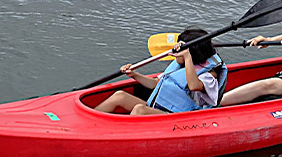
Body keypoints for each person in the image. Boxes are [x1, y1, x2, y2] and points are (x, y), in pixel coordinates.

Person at [94, 28, 227, 115]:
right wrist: (134, 74)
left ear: (192, 54)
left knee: (139, 110)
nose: (174, 51)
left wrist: (186, 57)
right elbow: (155, 83)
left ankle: (116, 136)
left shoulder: (208, 76)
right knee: (120, 96)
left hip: (178, 118)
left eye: (179, 49)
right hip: (158, 109)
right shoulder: (179, 65)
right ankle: (88, 124)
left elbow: (193, 85)